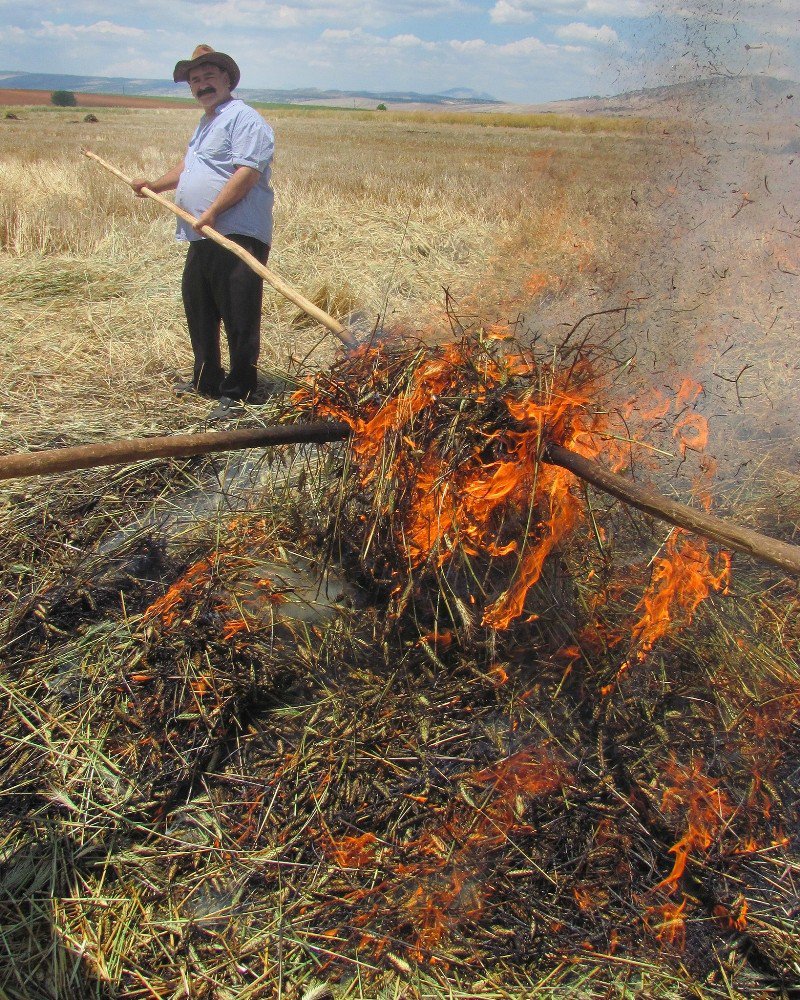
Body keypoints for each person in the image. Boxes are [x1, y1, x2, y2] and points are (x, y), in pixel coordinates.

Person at [132, 45, 274, 417]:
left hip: (236, 233)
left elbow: (247, 172)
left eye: (208, 76)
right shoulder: (208, 122)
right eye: (195, 80)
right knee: (199, 305)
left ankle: (241, 389)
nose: (201, 85)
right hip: (202, 234)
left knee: (239, 313)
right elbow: (190, 167)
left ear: (227, 79)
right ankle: (206, 379)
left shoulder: (245, 119)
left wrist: (211, 211)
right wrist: (155, 185)